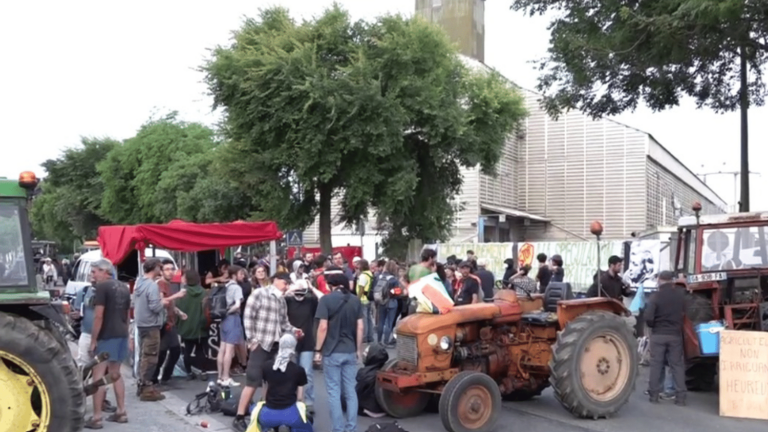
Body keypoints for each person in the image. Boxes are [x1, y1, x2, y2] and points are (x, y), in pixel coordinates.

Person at [232, 272, 302, 432]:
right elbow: (248, 317)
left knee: (272, 382)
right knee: (253, 381)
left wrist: (295, 330)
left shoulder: (282, 300)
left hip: (275, 345)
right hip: (261, 344)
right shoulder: (259, 294)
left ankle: (265, 416)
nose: (287, 287)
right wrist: (252, 340)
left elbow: (284, 323)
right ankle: (240, 416)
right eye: (285, 283)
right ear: (276, 280)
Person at [314, 267, 364, 432]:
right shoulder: (355, 300)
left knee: (334, 392)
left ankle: (338, 429)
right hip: (350, 350)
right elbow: (360, 326)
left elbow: (323, 327)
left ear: (331, 285)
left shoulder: (326, 301)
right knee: (350, 391)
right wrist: (358, 349)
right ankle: (352, 428)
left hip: (332, 351)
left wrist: (318, 350)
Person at [85, 259, 131, 429]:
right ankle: (121, 411)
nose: (93, 275)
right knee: (115, 373)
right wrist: (127, 335)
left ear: (104, 271)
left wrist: (93, 340)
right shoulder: (123, 287)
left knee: (99, 377)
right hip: (121, 334)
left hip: (107, 335)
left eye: (94, 271)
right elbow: (127, 314)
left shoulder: (102, 288)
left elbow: (99, 316)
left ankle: (96, 417)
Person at [133, 258, 186, 401]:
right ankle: (147, 388)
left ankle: (143, 384)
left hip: (142, 324)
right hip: (151, 325)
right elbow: (155, 307)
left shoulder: (140, 282)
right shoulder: (152, 285)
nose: (163, 270)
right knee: (151, 356)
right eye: (161, 268)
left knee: (146, 356)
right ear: (156, 268)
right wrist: (171, 298)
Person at [252, 333, 313, 432]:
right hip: (290, 415)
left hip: (268, 416)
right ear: (293, 348)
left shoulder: (266, 366)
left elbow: (264, 394)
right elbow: (300, 398)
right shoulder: (299, 370)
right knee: (306, 426)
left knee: (255, 409)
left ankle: (269, 428)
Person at [643, 271, 687, 405]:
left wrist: (654, 326)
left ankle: (654, 395)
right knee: (677, 365)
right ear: (672, 280)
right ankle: (680, 397)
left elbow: (648, 317)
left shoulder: (655, 297)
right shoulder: (680, 296)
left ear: (660, 280)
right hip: (675, 334)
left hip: (658, 334)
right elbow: (685, 313)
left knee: (656, 364)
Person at [285, 280, 322, 413]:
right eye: (297, 290)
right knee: (291, 372)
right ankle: (292, 399)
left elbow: (323, 298)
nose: (299, 294)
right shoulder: (287, 300)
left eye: (302, 291)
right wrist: (290, 290)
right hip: (290, 342)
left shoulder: (310, 301)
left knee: (307, 373)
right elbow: (277, 300)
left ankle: (308, 401)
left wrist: (311, 287)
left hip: (307, 342)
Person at [152, 259, 186, 386]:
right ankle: (156, 378)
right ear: (161, 272)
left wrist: (179, 312)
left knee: (172, 350)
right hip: (164, 324)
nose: (171, 272)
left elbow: (169, 303)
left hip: (170, 323)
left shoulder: (167, 284)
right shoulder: (160, 284)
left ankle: (162, 377)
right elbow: (162, 301)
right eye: (167, 269)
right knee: (164, 352)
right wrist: (177, 296)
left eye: (172, 269)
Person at [175, 269, 207, 380]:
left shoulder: (182, 294)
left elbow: (177, 309)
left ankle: (189, 373)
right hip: (201, 327)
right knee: (201, 350)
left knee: (187, 351)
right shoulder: (204, 292)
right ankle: (203, 372)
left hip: (186, 326)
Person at [219, 265, 245, 387]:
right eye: (240, 274)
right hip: (232, 318)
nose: (242, 276)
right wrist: (229, 312)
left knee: (222, 349)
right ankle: (226, 377)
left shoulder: (226, 286)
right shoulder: (236, 288)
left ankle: (220, 376)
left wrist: (224, 313)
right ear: (234, 275)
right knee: (229, 350)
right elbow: (237, 305)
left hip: (223, 320)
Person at [375, 260, 400, 347]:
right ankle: (386, 341)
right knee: (389, 323)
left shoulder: (379, 277)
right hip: (392, 303)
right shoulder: (394, 279)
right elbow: (397, 292)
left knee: (380, 322)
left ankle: (378, 341)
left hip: (381, 301)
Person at [355, 259, 375, 344]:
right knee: (369, 318)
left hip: (363, 299)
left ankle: (365, 336)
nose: (357, 266)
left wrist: (357, 298)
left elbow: (361, 288)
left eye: (358, 265)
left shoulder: (363, 276)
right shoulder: (370, 274)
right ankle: (370, 336)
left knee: (364, 319)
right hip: (369, 298)